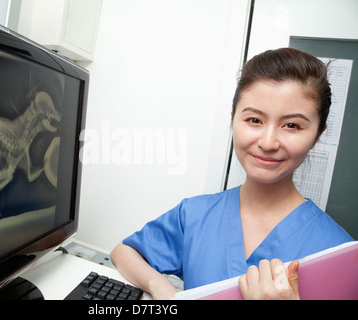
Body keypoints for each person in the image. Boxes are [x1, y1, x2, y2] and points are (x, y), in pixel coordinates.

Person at [110, 48, 354, 300]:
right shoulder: (195, 215)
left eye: (292, 125)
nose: (268, 142)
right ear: (233, 118)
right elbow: (124, 251)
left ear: (317, 135)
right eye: (254, 120)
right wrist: (163, 289)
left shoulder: (339, 254)